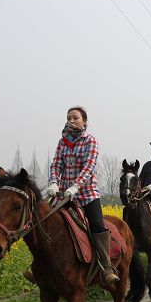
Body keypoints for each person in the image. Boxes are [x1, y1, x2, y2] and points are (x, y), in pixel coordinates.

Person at [25, 106, 119, 285]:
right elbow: (56, 164)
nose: (71, 120)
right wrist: (53, 182)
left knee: (98, 226)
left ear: (84, 121)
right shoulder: (63, 142)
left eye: (75, 117)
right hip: (63, 196)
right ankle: (38, 267)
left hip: (86, 195)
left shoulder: (90, 141)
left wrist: (76, 186)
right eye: (69, 117)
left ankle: (106, 266)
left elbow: (89, 167)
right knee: (45, 225)